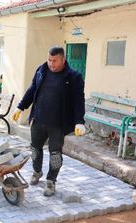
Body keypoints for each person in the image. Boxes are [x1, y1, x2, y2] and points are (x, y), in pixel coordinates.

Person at [11, 46, 86, 197]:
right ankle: (37, 172)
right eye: (49, 60)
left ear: (63, 60)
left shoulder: (73, 77)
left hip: (58, 124)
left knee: (55, 154)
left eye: (55, 61)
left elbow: (79, 101)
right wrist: (20, 107)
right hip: (38, 119)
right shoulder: (41, 70)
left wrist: (79, 121)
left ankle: (51, 181)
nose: (51, 64)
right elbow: (32, 90)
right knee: (35, 149)